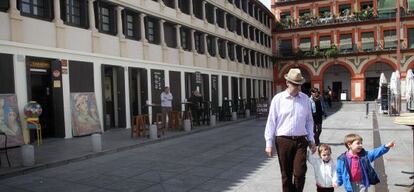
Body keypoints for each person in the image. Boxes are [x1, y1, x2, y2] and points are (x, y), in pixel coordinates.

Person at [264, 68, 316, 192]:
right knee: (286, 174)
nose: (297, 87)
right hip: (283, 141)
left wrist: (311, 140)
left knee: (300, 172)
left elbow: (309, 121)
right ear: (287, 83)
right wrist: (269, 143)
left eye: (299, 84)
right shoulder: (278, 99)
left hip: (300, 141)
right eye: (294, 84)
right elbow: (271, 121)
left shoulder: (305, 99)